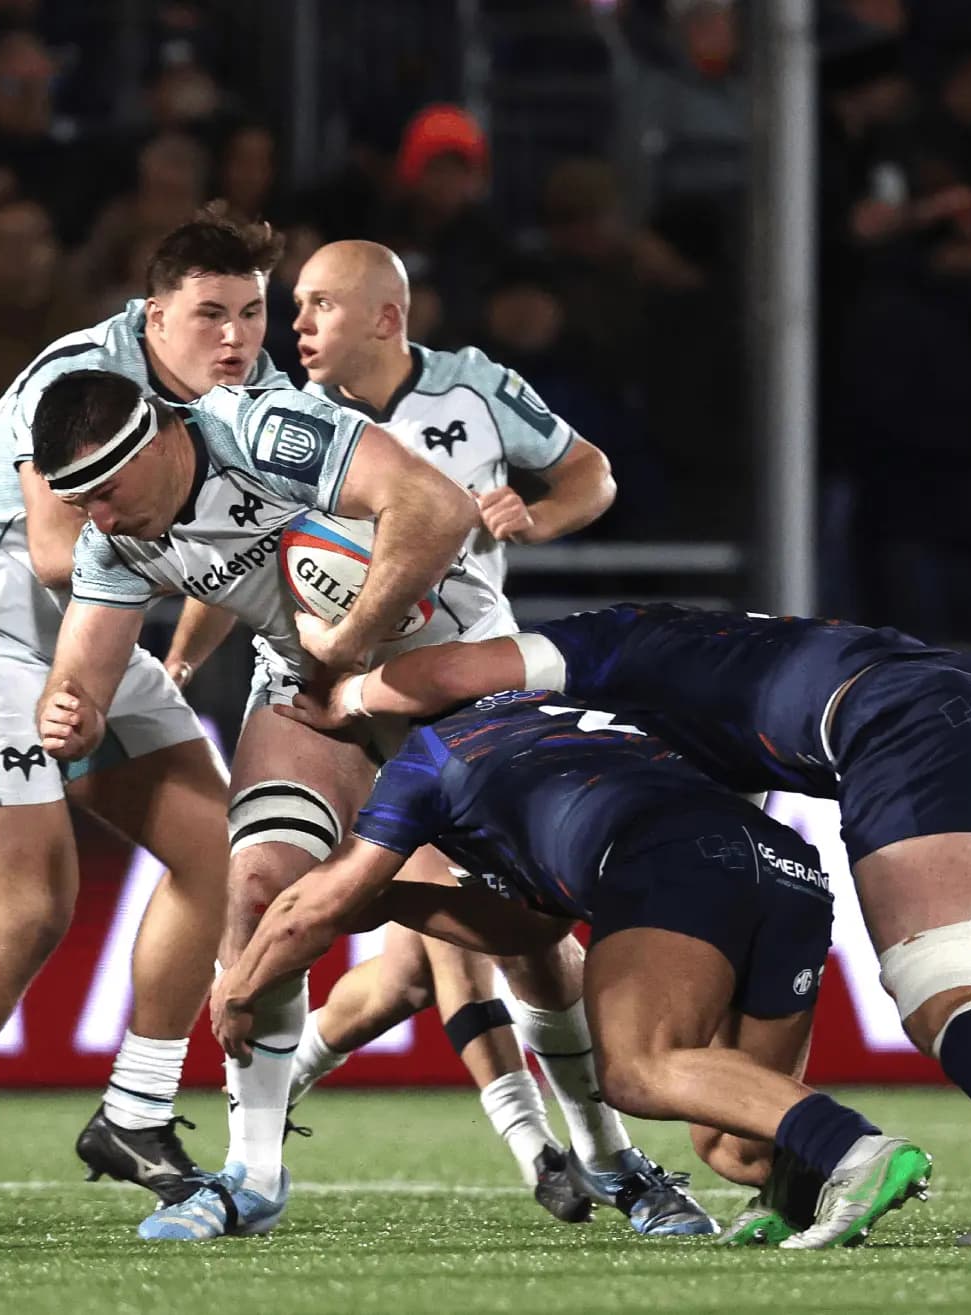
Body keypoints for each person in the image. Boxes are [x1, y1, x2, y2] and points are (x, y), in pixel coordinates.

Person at [284, 603, 971, 1241]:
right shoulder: (684, 665)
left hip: (897, 718)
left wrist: (350, 688)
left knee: (937, 996)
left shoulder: (601, 653)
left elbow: (460, 673)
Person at [0, 215, 282, 1236]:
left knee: (219, 850)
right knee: (30, 903)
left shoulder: (244, 398)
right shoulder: (82, 378)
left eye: (251, 313)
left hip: (101, 629)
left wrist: (185, 646)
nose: (234, 337)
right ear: (154, 312)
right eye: (209, 314)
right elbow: (52, 551)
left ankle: (133, 1112)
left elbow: (232, 534)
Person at [29, 368, 511, 1241]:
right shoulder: (121, 539)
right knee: (253, 889)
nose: (93, 518)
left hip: (458, 662)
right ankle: (252, 1172)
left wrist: (354, 642)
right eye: (78, 500)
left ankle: (609, 1160)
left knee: (537, 931)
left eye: (103, 490)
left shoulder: (260, 434)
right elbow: (82, 679)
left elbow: (438, 509)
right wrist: (70, 713)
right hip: (309, 682)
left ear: (160, 439)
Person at [211, 688, 934, 1250]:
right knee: (736, 1144)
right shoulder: (567, 712)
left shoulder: (426, 757)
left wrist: (240, 987)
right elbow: (533, 927)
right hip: (786, 865)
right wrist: (402, 902)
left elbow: (312, 906)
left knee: (634, 1069)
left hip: (672, 866)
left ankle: (854, 1146)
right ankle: (802, 1196)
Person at [271, 238, 645, 1224]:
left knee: (439, 952)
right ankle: (600, 1157)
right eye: (294, 305)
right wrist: (187, 649)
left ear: (386, 318)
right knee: (486, 933)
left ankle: (262, 1112)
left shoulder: (475, 390)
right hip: (341, 703)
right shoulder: (280, 421)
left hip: (471, 687)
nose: (296, 325)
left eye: (316, 304)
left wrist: (537, 516)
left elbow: (590, 474)